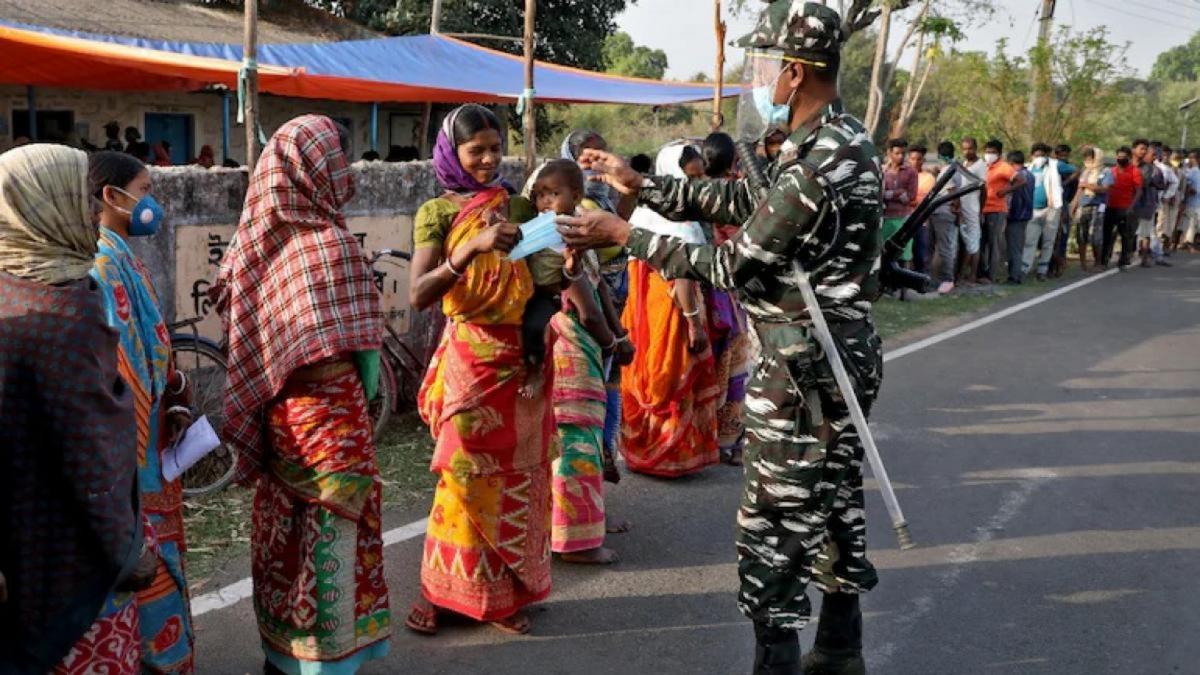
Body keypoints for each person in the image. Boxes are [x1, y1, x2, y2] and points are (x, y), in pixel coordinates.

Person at [559, 3, 884, 671]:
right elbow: (742, 205)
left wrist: (625, 234)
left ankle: (781, 659)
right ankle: (839, 646)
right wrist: (643, 186)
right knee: (832, 496)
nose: (762, 82)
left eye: (768, 68)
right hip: (839, 353)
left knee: (772, 521)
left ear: (795, 72)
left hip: (803, 365)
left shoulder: (817, 162)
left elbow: (736, 263)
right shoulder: (839, 138)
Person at [211, 115, 392, 673]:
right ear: (319, 169)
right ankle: (325, 660)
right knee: (333, 527)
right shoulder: (329, 243)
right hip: (330, 418)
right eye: (339, 158)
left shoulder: (249, 244)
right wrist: (359, 396)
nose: (347, 172)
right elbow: (361, 355)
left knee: (282, 526)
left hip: (278, 414)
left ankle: (279, 651)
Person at [404, 104, 552, 637]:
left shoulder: (516, 204)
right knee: (461, 479)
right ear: (453, 153)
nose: (489, 160)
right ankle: (440, 591)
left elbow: (545, 278)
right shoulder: (438, 214)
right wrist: (471, 248)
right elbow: (419, 294)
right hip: (470, 360)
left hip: (521, 361)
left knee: (516, 480)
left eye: (496, 148)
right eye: (477, 151)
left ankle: (504, 594)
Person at [0, 144, 147, 674]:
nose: (92, 210)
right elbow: (94, 462)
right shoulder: (65, 309)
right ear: (47, 205)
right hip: (73, 558)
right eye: (80, 197)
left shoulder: (10, 290)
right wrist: (126, 552)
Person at [89, 151, 196, 674]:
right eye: (144, 189)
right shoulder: (103, 265)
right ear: (112, 196)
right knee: (144, 556)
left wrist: (172, 387)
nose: (151, 202)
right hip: (134, 451)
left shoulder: (121, 256)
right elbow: (122, 368)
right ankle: (156, 654)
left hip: (150, 439)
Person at [525, 159, 625, 565]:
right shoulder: (552, 237)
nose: (547, 202)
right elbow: (587, 306)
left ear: (576, 196)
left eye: (556, 194)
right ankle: (577, 542)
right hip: (568, 342)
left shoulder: (575, 234)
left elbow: (599, 289)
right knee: (576, 442)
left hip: (568, 339)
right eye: (541, 195)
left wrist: (616, 336)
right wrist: (612, 341)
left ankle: (571, 527)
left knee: (563, 441)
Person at [619, 143, 721, 478]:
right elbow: (681, 281)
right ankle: (669, 455)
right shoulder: (681, 221)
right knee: (672, 378)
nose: (699, 174)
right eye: (692, 170)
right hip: (672, 313)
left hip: (641, 313)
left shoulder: (642, 214)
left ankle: (643, 450)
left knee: (646, 376)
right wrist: (694, 325)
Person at [560, 129, 636, 484]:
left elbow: (623, 225)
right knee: (591, 396)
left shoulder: (602, 199)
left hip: (610, 302)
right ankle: (599, 461)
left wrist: (625, 187)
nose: (596, 164)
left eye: (602, 154)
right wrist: (612, 337)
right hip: (588, 310)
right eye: (588, 157)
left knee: (610, 385)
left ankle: (606, 454)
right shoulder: (573, 211)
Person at [703, 131, 754, 465]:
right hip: (730, 290)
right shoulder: (738, 192)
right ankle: (731, 441)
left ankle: (712, 440)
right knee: (737, 365)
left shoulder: (697, 193)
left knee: (713, 367)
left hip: (706, 286)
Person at [980, 139, 1025, 284]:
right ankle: (981, 273)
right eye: (987, 151)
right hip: (982, 209)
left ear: (998, 153)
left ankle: (991, 275)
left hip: (997, 210)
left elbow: (1021, 180)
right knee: (981, 243)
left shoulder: (1004, 167)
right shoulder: (984, 166)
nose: (989, 154)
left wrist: (1005, 191)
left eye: (992, 152)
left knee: (994, 243)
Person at [1022, 143, 1063, 282]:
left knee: (1048, 241)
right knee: (1029, 241)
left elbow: (1074, 169)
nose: (1039, 158)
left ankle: (1042, 270)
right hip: (1033, 210)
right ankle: (1024, 268)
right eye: (1037, 155)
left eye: (1043, 155)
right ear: (1032, 155)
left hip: (1050, 209)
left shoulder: (1053, 167)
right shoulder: (1028, 168)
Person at [928, 140, 962, 294]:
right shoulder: (951, 169)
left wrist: (955, 208)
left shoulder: (949, 171)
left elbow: (953, 194)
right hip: (939, 212)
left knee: (944, 248)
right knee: (938, 247)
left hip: (943, 213)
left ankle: (948, 279)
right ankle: (936, 278)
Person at [1069, 146, 1110, 271]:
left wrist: (1088, 185)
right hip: (1083, 205)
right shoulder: (1085, 172)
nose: (1087, 161)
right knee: (1081, 235)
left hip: (1097, 206)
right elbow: (1079, 190)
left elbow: (1105, 188)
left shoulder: (1105, 171)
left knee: (1095, 236)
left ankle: (1097, 263)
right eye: (1086, 158)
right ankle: (1083, 264)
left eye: (1090, 158)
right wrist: (1073, 206)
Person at [882, 138, 917, 270]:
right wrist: (899, 193)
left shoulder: (911, 172)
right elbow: (881, 194)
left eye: (903, 153)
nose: (901, 156)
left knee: (905, 253)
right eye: (897, 153)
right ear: (889, 153)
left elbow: (910, 196)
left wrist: (890, 194)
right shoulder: (883, 171)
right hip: (885, 218)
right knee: (884, 251)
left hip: (903, 218)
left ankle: (904, 289)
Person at [958, 137, 988, 284]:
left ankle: (972, 275)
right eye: (964, 149)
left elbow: (983, 190)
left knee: (974, 244)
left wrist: (981, 210)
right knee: (967, 243)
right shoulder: (964, 164)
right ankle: (964, 273)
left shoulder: (980, 165)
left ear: (975, 148)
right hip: (963, 209)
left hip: (973, 209)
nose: (967, 151)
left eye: (969, 148)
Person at [1132, 139, 1165, 268]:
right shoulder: (1134, 166)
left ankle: (1144, 257)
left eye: (1152, 154)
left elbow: (1162, 185)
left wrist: (1152, 183)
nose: (1153, 156)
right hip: (1133, 203)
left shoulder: (1155, 170)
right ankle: (1130, 254)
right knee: (1132, 231)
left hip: (1147, 204)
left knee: (1145, 233)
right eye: (1150, 154)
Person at [1048, 144, 1078, 277]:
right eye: (1061, 154)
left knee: (1062, 233)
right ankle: (1056, 261)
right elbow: (1077, 171)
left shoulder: (1063, 167)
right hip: (1054, 204)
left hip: (1062, 203)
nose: (1063, 157)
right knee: (1058, 234)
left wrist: (1066, 183)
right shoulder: (1058, 165)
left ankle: (1059, 261)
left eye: (1066, 155)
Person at [1004, 150, 1033, 283]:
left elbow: (1012, 197)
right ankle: (1016, 274)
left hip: (1016, 215)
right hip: (1025, 214)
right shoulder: (1030, 175)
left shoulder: (1018, 176)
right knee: (1017, 246)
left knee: (1014, 247)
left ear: (1011, 163)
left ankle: (1014, 276)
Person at [907, 145, 935, 273]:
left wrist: (906, 198)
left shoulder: (928, 178)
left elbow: (922, 200)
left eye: (918, 159)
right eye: (913, 159)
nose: (915, 162)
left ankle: (921, 280)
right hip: (904, 220)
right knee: (905, 255)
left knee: (920, 253)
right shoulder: (904, 175)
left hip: (920, 221)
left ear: (923, 160)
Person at [1152, 145, 1179, 265]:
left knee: (1157, 229)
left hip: (1158, 202)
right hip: (1144, 202)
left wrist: (1166, 196)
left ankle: (1157, 253)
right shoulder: (1144, 166)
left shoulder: (1164, 169)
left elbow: (1175, 182)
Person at [1178, 150, 1200, 251]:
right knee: (1190, 223)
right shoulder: (1192, 172)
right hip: (1192, 202)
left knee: (1191, 223)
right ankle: (1187, 243)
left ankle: (1186, 242)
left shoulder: (1194, 171)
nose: (1190, 160)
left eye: (1192, 158)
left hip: (1194, 202)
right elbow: (1186, 186)